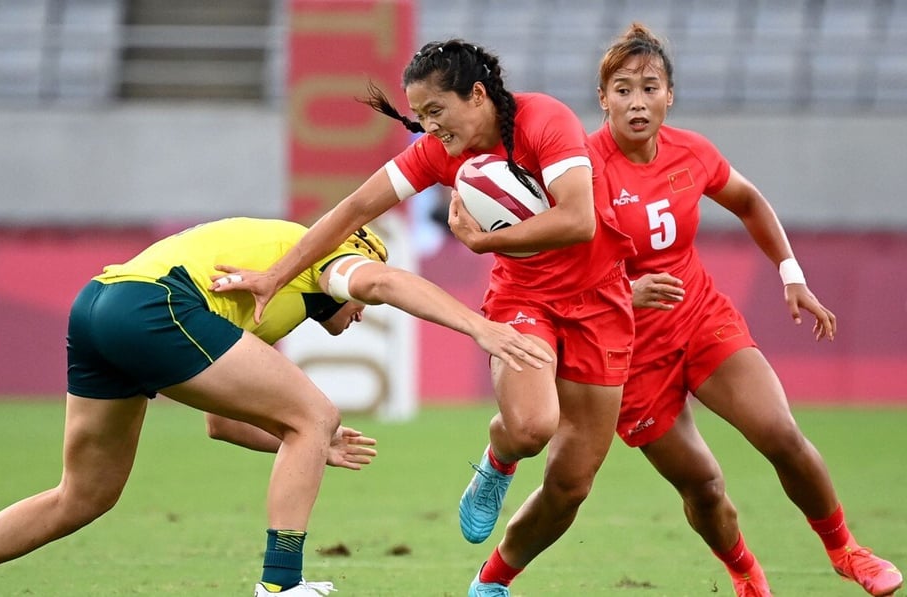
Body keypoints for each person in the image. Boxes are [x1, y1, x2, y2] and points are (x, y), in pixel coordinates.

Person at [0, 216, 554, 597]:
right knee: (312, 409)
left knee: (82, 494)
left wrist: (307, 440)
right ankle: (280, 586)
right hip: (153, 304)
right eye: (362, 308)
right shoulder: (332, 259)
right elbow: (378, 279)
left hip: (98, 305)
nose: (360, 314)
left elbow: (220, 421)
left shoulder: (275, 291)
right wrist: (478, 326)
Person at [211, 39, 636, 596]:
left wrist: (484, 242)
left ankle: (495, 574)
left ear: (477, 94)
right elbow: (353, 209)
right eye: (421, 116)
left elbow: (579, 220)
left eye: (436, 111)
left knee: (573, 484)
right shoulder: (439, 151)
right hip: (525, 298)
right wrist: (274, 275)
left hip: (601, 299)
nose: (429, 127)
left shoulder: (544, 120)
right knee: (532, 428)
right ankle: (499, 459)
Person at [588, 22, 902, 597]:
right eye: (624, 89)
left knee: (781, 434)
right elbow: (557, 273)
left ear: (670, 95)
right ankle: (745, 574)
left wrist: (792, 274)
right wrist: (620, 293)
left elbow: (750, 201)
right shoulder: (583, 171)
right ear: (603, 97)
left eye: (650, 87)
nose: (638, 102)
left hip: (699, 317)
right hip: (629, 351)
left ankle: (847, 552)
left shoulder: (693, 152)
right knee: (704, 489)